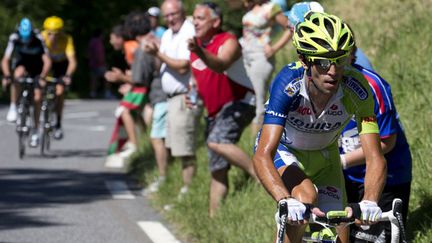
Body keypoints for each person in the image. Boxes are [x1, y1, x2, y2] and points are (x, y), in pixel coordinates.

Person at [253, 12, 386, 243]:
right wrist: (285, 201)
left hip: (326, 156)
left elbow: (375, 156)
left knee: (340, 230)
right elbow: (263, 155)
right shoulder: (287, 84)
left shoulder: (358, 90)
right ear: (305, 60)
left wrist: (370, 200)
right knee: (303, 198)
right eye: (323, 62)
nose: (333, 71)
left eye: (339, 60)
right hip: (286, 151)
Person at [188, 2, 258, 217]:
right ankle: (214, 217)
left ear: (215, 22)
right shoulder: (196, 47)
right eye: (194, 18)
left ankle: (260, 175)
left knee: (217, 142)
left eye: (200, 18)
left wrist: (199, 51)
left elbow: (221, 64)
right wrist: (191, 96)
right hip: (214, 112)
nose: (195, 22)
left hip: (240, 102)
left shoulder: (228, 41)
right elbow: (198, 81)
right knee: (217, 168)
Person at [339, 46, 412, 242]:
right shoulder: (317, 84)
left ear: (353, 55)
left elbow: (387, 143)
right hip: (346, 179)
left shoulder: (372, 86)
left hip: (388, 177)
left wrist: (342, 161)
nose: (332, 66)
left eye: (340, 57)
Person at [144, 0, 201, 199]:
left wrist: (158, 52)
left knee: (184, 146)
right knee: (173, 144)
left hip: (185, 95)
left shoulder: (188, 31)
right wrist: (154, 49)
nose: (170, 19)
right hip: (170, 98)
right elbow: (164, 61)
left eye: (173, 14)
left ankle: (188, 189)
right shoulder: (168, 34)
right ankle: (178, 185)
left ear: (182, 12)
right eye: (166, 16)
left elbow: (184, 65)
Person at [106, 13, 154, 161]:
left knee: (124, 110)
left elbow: (138, 74)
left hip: (143, 87)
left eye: (112, 38)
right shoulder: (133, 46)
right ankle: (144, 142)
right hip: (141, 85)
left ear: (119, 37)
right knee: (138, 113)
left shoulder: (132, 48)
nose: (110, 41)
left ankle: (135, 144)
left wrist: (123, 78)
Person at [241, 0, 293, 134]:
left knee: (259, 100)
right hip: (246, 57)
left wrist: (274, 48)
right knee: (250, 97)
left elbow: (289, 28)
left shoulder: (270, 8)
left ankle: (256, 141)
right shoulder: (250, 8)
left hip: (261, 58)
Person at [1, 18, 51, 147]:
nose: (26, 41)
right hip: (22, 64)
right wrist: (6, 76)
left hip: (37, 67)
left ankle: (35, 130)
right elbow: (5, 60)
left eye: (28, 38)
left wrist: (43, 76)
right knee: (17, 75)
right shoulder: (14, 37)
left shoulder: (38, 38)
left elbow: (47, 61)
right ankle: (13, 106)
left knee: (38, 97)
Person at [41, 16, 77, 140]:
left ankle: (58, 123)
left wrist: (68, 76)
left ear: (61, 32)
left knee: (60, 91)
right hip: (45, 65)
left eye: (56, 34)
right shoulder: (42, 37)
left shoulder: (66, 40)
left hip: (61, 66)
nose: (53, 37)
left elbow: (72, 61)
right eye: (50, 33)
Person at [87, 29, 110, 99]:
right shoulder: (98, 42)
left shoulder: (91, 41)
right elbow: (99, 53)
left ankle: (92, 93)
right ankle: (107, 93)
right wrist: (102, 62)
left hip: (92, 63)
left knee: (94, 79)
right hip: (99, 64)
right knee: (107, 77)